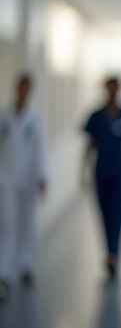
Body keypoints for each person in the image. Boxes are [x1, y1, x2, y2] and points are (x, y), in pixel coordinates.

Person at [83, 76, 121, 279]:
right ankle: (110, 253)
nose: (113, 92)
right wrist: (82, 170)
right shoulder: (96, 116)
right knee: (105, 215)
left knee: (119, 215)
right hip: (101, 173)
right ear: (105, 90)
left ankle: (113, 256)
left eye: (116, 89)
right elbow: (90, 144)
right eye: (110, 89)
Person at [0, 74, 47, 303]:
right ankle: (5, 273)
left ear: (30, 92)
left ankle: (26, 264)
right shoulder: (4, 117)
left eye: (28, 89)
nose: (23, 93)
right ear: (16, 89)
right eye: (21, 88)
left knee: (27, 221)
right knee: (8, 224)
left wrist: (42, 176)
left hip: (28, 179)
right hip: (7, 178)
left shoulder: (36, 119)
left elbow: (41, 149)